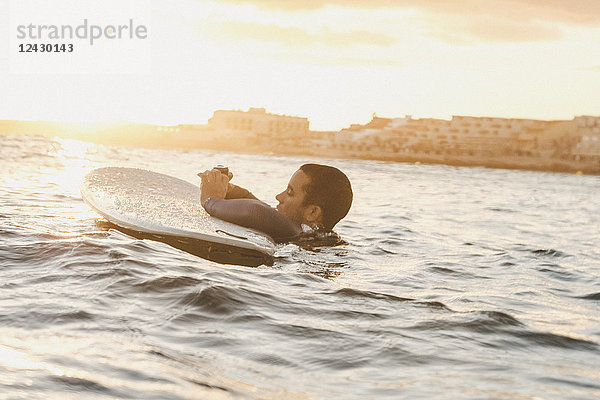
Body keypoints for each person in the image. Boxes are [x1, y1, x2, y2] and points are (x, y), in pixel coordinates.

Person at [198, 164, 353, 243]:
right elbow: (269, 215)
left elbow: (254, 212)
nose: (278, 197)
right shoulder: (313, 235)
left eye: (290, 193)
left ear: (312, 213)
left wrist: (211, 200)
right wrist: (234, 192)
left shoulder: (296, 232)